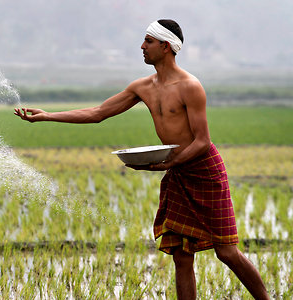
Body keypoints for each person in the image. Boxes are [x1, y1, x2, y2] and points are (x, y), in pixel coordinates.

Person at [14, 19, 269, 299]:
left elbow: (202, 141)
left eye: (148, 41)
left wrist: (170, 163)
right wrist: (48, 116)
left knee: (226, 251)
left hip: (203, 170)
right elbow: (98, 113)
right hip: (178, 172)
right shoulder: (142, 86)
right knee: (181, 253)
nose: (142, 46)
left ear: (166, 46)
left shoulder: (190, 86)